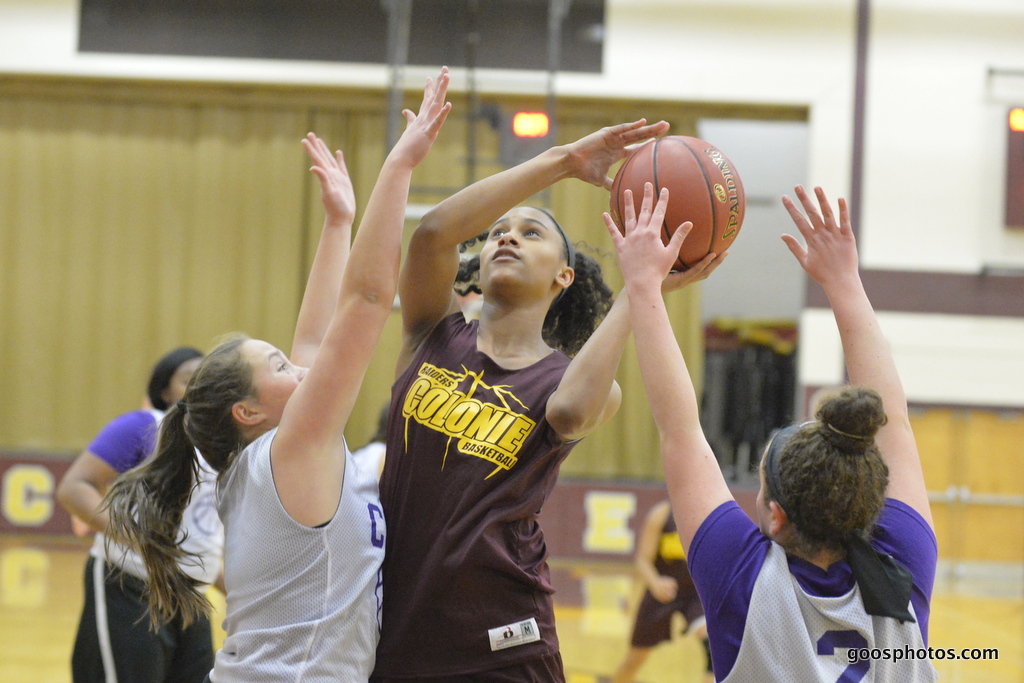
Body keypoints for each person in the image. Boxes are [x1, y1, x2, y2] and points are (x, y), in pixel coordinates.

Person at [102, 69, 451, 683]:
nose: (302, 367)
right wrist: (398, 166)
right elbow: (368, 301)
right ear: (249, 410)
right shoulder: (291, 450)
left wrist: (338, 223)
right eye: (282, 367)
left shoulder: (267, 459)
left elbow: (316, 340)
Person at [371, 120, 722, 682]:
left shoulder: (572, 384)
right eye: (497, 232)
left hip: (505, 638)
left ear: (563, 276)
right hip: (399, 626)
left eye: (531, 232)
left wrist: (641, 287)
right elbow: (432, 233)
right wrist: (560, 161)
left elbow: (567, 414)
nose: (506, 236)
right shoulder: (430, 334)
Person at [605, 183, 938, 681]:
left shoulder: (743, 580)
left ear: (775, 518)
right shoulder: (902, 565)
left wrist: (642, 285)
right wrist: (845, 281)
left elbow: (680, 430)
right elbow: (681, 432)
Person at [56, 346, 223, 683]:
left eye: (207, 380)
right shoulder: (143, 426)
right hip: (130, 585)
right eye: (189, 379)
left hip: (192, 596)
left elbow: (206, 536)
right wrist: (141, 540)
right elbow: (74, 488)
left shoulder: (224, 446)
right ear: (165, 391)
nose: (199, 388)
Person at [610, 500, 712, 683]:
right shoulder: (662, 514)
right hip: (661, 594)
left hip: (694, 595)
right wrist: (655, 582)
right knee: (634, 660)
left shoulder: (709, 514)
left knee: (712, 649)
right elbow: (642, 560)